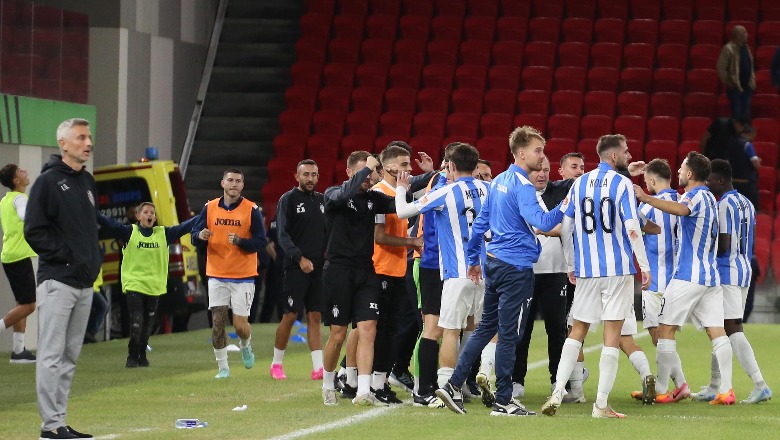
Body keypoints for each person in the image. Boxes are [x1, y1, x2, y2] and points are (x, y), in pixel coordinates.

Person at [436, 126, 564, 417]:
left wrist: (473, 260)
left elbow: (481, 223)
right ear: (521, 153)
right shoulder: (522, 185)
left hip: (494, 263)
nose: (542, 157)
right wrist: (566, 206)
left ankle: (452, 384)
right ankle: (504, 400)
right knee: (509, 335)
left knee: (485, 329)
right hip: (516, 268)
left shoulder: (499, 181)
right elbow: (542, 222)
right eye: (538, 150)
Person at [542, 134, 652, 419]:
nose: (629, 156)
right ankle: (601, 404)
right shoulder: (623, 184)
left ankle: (557, 392)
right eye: (626, 152)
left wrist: (570, 264)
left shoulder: (579, 183)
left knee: (576, 330)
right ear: (613, 157)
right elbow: (631, 226)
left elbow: (566, 227)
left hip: (587, 270)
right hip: (617, 270)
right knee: (612, 336)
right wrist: (645, 265)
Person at [633, 152, 735, 406]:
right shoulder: (711, 197)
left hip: (689, 275)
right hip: (710, 277)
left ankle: (664, 390)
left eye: (681, 168)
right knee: (717, 332)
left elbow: (681, 209)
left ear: (690, 174)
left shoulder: (694, 195)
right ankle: (727, 390)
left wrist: (646, 198)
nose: (678, 171)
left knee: (664, 329)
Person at [24, 118, 102, 440]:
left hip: (84, 283)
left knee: (70, 356)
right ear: (63, 144)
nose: (88, 142)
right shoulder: (47, 182)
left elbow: (89, 227)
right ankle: (49, 426)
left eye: (89, 137)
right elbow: (33, 231)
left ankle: (60, 420)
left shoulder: (87, 182)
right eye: (81, 137)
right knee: (51, 355)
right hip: (58, 281)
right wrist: (67, 257)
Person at [395, 143, 488, 400]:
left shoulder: (445, 191)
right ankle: (463, 382)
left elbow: (403, 212)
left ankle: (448, 388)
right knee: (473, 328)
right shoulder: (488, 189)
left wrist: (401, 190)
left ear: (453, 165)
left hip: (453, 270)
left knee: (444, 330)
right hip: (481, 272)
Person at [320, 151, 397, 406]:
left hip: (366, 271)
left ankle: (364, 390)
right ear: (349, 172)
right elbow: (343, 196)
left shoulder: (374, 199)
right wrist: (367, 169)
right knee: (338, 334)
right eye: (365, 171)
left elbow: (402, 203)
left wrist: (432, 177)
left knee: (368, 330)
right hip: (338, 271)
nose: (369, 177)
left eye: (371, 172)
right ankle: (328, 383)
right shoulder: (332, 194)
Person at [697, 159, 771, 404]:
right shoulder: (747, 203)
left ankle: (760, 384)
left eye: (709, 180)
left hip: (727, 271)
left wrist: (706, 250)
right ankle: (714, 385)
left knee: (731, 330)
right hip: (744, 269)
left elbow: (725, 243)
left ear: (720, 180)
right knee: (721, 328)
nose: (707, 185)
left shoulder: (724, 205)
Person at [97, 202, 197, 367]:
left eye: (152, 212)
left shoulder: (162, 233)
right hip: (134, 283)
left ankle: (141, 353)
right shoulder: (129, 232)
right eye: (145, 212)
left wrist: (207, 213)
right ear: (138, 216)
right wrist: (91, 209)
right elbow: (109, 222)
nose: (149, 214)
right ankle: (132, 355)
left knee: (149, 322)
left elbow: (184, 227)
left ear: (155, 218)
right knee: (136, 320)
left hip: (154, 284)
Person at [192, 168, 266, 379]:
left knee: (240, 326)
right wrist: (200, 235)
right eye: (230, 180)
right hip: (216, 274)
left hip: (243, 276)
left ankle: (245, 345)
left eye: (238, 181)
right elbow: (194, 236)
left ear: (242, 186)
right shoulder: (210, 207)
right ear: (222, 183)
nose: (234, 184)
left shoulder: (251, 209)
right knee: (217, 322)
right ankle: (223, 368)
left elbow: (261, 242)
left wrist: (241, 242)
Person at [512, 157, 569, 399]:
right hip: (526, 271)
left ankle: (559, 382)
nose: (542, 174)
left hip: (556, 272)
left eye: (546, 170)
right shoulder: (520, 193)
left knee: (557, 329)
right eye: (537, 170)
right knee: (521, 329)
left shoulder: (559, 191)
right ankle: (516, 380)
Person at [367, 146, 421, 403]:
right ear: (388, 167)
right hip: (381, 270)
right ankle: (371, 383)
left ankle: (380, 381)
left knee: (392, 329)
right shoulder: (379, 195)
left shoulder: (399, 194)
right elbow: (378, 236)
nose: (409, 169)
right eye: (404, 164)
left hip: (397, 269)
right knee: (383, 330)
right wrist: (412, 243)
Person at [271, 159, 326, 381]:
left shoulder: (323, 201)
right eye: (306, 174)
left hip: (318, 267)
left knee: (315, 315)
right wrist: (299, 258)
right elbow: (282, 235)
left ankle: (318, 367)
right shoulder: (288, 200)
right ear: (297, 176)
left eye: (314, 174)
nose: (310, 179)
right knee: (291, 315)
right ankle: (276, 364)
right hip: (295, 266)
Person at [0, 164, 37, 363]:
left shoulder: (5, 200)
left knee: (21, 303)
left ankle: (18, 351)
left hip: (10, 256)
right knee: (30, 306)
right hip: (18, 257)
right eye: (21, 171)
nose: (25, 172)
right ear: (16, 180)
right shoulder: (21, 198)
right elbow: (24, 215)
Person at [717, 25, 755, 120]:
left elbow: (751, 67)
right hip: (735, 89)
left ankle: (743, 134)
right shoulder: (728, 48)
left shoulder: (746, 48)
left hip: (747, 88)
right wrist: (730, 82)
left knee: (746, 115)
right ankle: (735, 134)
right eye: (744, 33)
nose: (747, 35)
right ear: (737, 35)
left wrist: (752, 82)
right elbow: (720, 67)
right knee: (737, 115)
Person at [84, 269, 109, 344]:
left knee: (103, 307)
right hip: (90, 285)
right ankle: (90, 332)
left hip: (96, 285)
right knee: (103, 306)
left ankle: (88, 334)